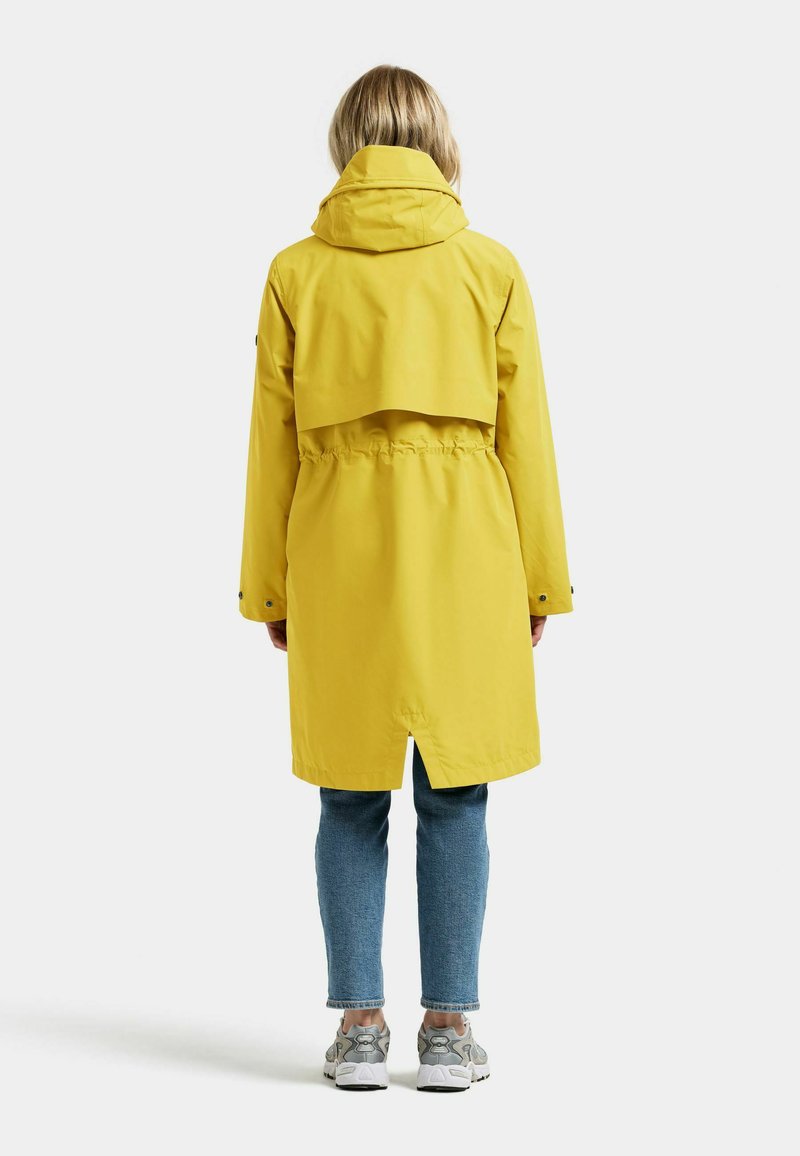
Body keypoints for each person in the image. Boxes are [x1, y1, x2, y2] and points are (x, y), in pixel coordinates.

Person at [238, 64, 574, 1092]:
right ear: (438, 143)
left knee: (348, 790)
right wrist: (540, 582)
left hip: (336, 545)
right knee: (455, 789)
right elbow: (525, 437)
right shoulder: (489, 267)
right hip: (467, 542)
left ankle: (358, 1029)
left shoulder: (296, 272)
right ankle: (447, 1029)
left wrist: (268, 587)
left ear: (348, 145)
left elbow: (271, 444)